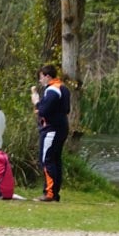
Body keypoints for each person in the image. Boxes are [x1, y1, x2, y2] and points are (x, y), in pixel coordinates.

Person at [30, 64, 71, 202]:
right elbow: (66, 109)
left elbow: (44, 110)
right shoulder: (63, 88)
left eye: (40, 77)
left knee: (46, 160)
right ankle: (55, 193)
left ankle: (49, 193)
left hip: (51, 129)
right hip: (61, 127)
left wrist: (36, 103)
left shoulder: (52, 90)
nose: (40, 81)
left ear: (47, 76)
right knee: (55, 160)